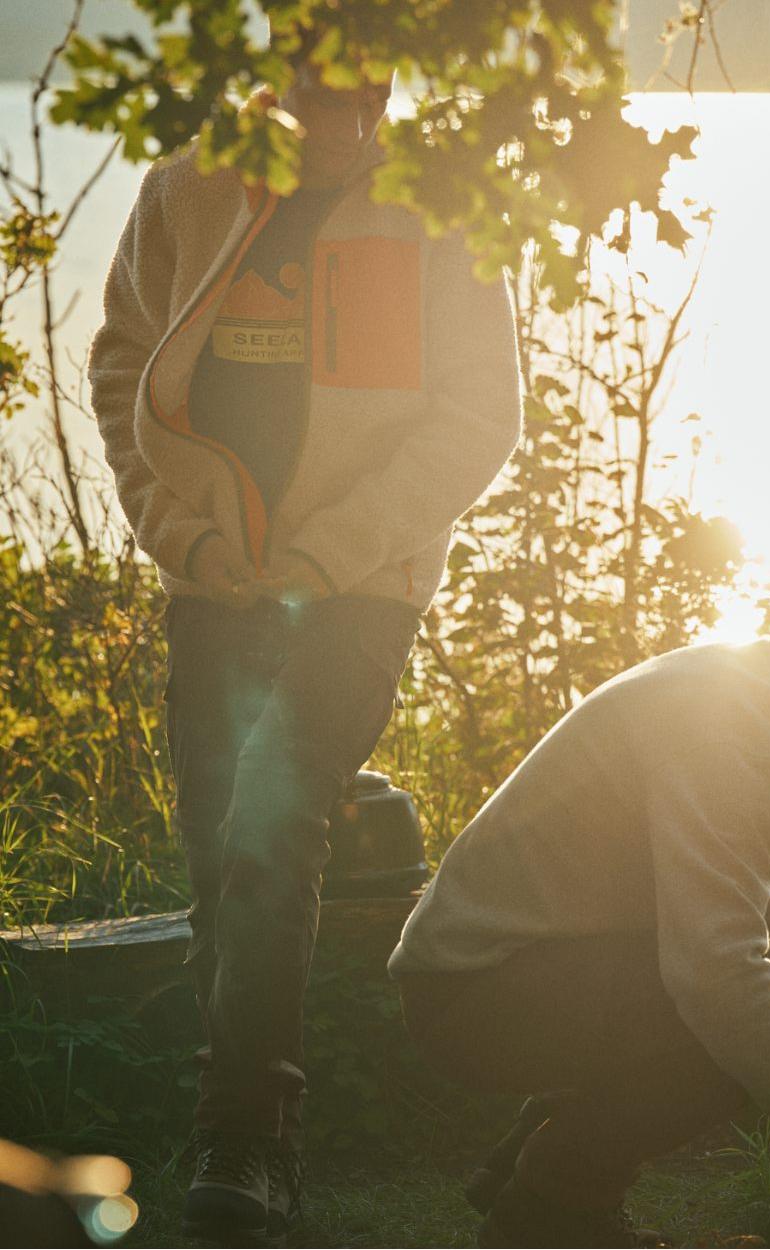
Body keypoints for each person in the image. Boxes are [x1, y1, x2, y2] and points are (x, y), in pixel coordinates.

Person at [88, 25, 523, 1246]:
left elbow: (481, 415)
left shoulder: (439, 203)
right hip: (214, 580)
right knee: (216, 852)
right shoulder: (185, 188)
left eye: (373, 96)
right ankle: (235, 1120)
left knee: (276, 819)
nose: (353, 124)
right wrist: (182, 537)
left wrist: (332, 554)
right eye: (327, 98)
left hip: (363, 586)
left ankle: (248, 1138)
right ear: (274, 79)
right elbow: (121, 365)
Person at [389, 556, 770, 1248]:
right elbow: (716, 966)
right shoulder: (731, 727)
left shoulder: (754, 696)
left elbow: (716, 875)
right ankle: (552, 1208)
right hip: (475, 992)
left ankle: (523, 1168)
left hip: (519, 966)